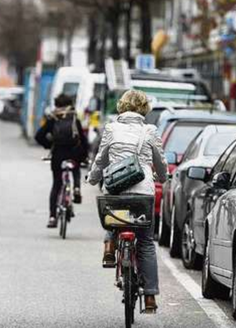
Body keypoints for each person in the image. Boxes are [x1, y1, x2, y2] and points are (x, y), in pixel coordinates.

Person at [87, 90, 168, 314]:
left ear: (121, 107)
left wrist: (92, 178)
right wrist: (163, 178)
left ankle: (109, 247)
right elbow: (160, 163)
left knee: (113, 215)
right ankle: (150, 296)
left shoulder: (111, 129)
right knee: (145, 243)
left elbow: (101, 159)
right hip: (143, 193)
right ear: (144, 108)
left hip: (117, 190)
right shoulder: (150, 131)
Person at [35, 94, 89, 228]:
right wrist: (85, 155)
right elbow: (82, 138)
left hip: (58, 154)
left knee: (57, 185)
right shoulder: (74, 117)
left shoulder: (53, 118)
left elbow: (39, 136)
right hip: (73, 153)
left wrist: (49, 145)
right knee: (76, 167)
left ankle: (52, 217)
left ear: (57, 104)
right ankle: (76, 188)